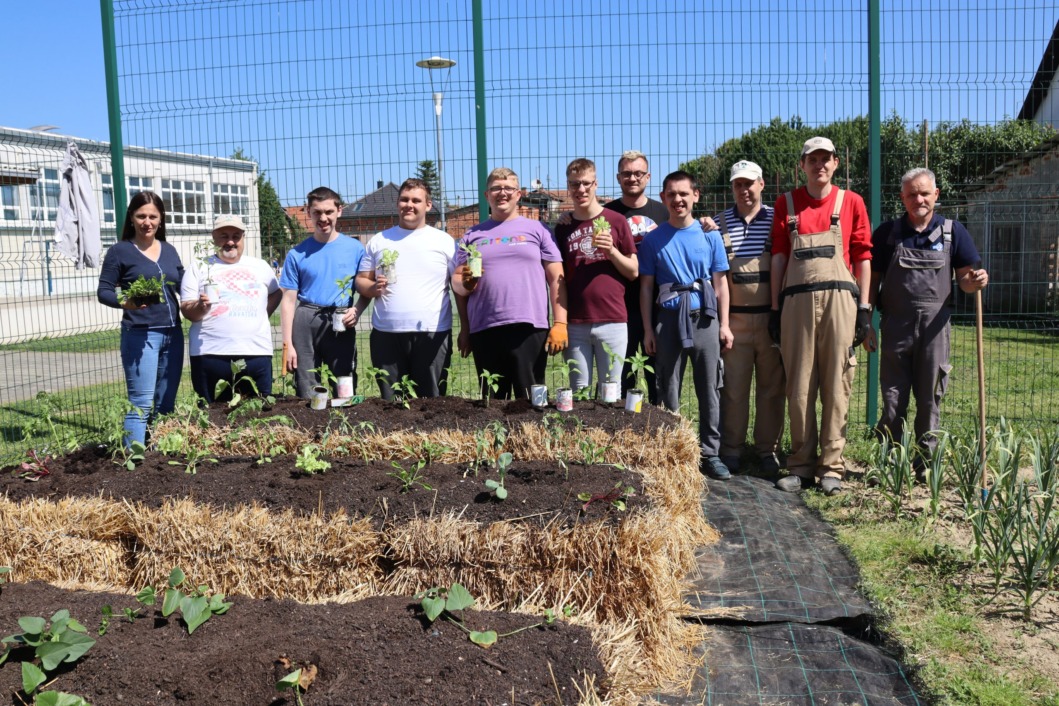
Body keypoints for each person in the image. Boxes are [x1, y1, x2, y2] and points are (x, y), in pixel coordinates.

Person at [867, 167, 989, 475]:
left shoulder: (952, 232)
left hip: (936, 329)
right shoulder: (888, 234)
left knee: (930, 397)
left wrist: (975, 281)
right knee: (893, 397)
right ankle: (892, 462)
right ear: (902, 198)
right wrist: (866, 319)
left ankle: (925, 464)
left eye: (924, 193)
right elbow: (873, 279)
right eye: (912, 194)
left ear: (936, 195)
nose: (918, 199)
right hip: (896, 326)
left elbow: (964, 280)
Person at [769, 137, 873, 495]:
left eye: (826, 159)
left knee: (836, 384)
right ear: (803, 165)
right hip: (795, 303)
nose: (819, 166)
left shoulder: (851, 202)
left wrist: (864, 308)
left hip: (840, 303)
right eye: (812, 160)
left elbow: (862, 256)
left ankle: (831, 468)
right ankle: (799, 464)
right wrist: (774, 308)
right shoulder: (786, 203)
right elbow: (779, 257)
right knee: (799, 386)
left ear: (836, 162)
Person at [640, 171, 733, 480]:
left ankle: (710, 453)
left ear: (696, 195)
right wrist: (648, 330)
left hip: (705, 318)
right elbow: (646, 288)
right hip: (668, 321)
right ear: (664, 198)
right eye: (671, 194)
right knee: (668, 386)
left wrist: (724, 324)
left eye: (683, 193)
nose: (677, 199)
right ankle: (673, 452)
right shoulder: (653, 240)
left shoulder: (710, 235)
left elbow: (721, 284)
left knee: (710, 387)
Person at [451, 167, 568, 400]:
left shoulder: (539, 230)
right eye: (495, 188)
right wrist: (465, 325)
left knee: (534, 401)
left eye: (508, 188)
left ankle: (535, 437)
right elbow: (457, 283)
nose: (501, 193)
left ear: (519, 194)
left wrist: (560, 323)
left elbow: (557, 278)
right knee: (493, 402)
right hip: (484, 328)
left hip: (530, 327)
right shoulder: (471, 236)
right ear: (486, 195)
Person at [707, 160, 785, 475]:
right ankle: (731, 450)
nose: (744, 190)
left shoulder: (776, 220)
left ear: (761, 184)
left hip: (770, 321)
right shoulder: (717, 222)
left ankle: (768, 451)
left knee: (771, 389)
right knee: (733, 390)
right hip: (734, 323)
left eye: (749, 183)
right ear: (732, 188)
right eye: (738, 184)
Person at [96, 191, 184, 447]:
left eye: (153, 216)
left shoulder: (169, 250)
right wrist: (126, 302)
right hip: (141, 334)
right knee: (141, 402)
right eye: (141, 216)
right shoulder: (120, 251)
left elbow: (181, 285)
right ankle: (133, 458)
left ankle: (161, 454)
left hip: (173, 332)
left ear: (161, 219)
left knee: (167, 400)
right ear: (132, 219)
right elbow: (104, 291)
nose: (147, 222)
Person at [355, 178, 455, 399]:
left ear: (428, 205)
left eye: (416, 200)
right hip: (386, 334)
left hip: (432, 333)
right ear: (397, 203)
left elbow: (457, 284)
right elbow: (361, 280)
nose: (409, 204)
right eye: (404, 199)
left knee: (431, 401)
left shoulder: (444, 241)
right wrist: (373, 288)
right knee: (391, 403)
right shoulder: (379, 240)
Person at [553, 158, 638, 395]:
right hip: (575, 323)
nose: (581, 190)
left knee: (610, 391)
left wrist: (611, 251)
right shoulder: (562, 227)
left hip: (612, 319)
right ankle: (581, 434)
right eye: (574, 184)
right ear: (568, 187)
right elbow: (556, 274)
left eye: (586, 184)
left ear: (596, 184)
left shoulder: (616, 221)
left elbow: (633, 271)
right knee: (579, 391)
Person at [180, 214, 281, 403]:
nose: (231, 242)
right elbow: (187, 309)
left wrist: (262, 314)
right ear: (214, 238)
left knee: (259, 413)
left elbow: (276, 293)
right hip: (210, 355)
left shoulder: (260, 266)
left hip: (256, 353)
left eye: (236, 236)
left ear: (243, 237)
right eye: (224, 236)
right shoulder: (199, 267)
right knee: (212, 416)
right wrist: (201, 307)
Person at [280, 187, 367, 398]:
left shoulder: (355, 249)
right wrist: (288, 344)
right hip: (305, 319)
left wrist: (357, 310)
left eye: (328, 211)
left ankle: (345, 423)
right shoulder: (297, 253)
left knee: (343, 379)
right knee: (306, 380)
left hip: (340, 318)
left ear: (339, 211)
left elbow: (365, 289)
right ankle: (311, 426)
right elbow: (288, 301)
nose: (323, 218)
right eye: (317, 212)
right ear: (309, 213)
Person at [603, 150, 669, 405]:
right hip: (619, 305)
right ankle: (626, 428)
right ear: (618, 177)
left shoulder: (663, 213)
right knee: (623, 374)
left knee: (658, 375)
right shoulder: (606, 213)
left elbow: (687, 225)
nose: (633, 178)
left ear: (648, 176)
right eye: (627, 173)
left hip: (658, 303)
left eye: (638, 173)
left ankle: (658, 424)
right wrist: (565, 216)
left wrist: (707, 221)